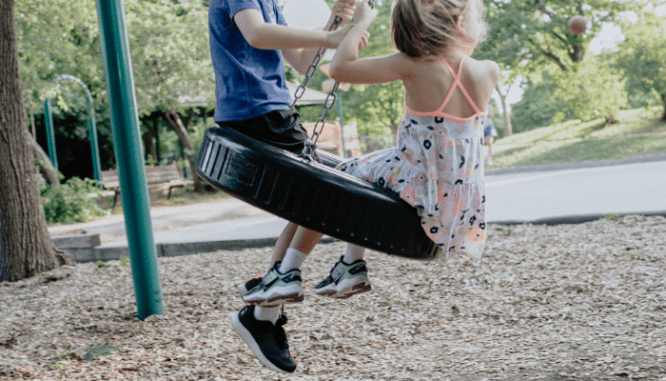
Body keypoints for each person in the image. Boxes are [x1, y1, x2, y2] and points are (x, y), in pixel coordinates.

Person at [236, 0, 499, 372]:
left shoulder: (411, 64)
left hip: (414, 182)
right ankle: (348, 264)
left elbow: (339, 69)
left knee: (339, 180)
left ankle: (295, 269)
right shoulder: (488, 70)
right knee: (358, 181)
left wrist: (359, 24)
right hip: (455, 208)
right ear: (459, 23)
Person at [209, 0, 368, 373]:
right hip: (256, 112)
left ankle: (265, 313)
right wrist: (331, 35)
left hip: (270, 112)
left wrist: (338, 22)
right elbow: (256, 34)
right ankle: (270, 308)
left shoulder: (271, 4)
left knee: (312, 206)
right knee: (330, 194)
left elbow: (301, 63)